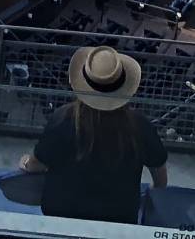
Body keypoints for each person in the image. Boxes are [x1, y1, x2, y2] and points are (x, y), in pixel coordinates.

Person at [18, 45, 170, 222]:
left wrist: (26, 162)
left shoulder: (62, 119)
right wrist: (147, 197)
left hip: (61, 216)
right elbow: (160, 177)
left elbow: (37, 165)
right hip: (118, 219)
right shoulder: (140, 126)